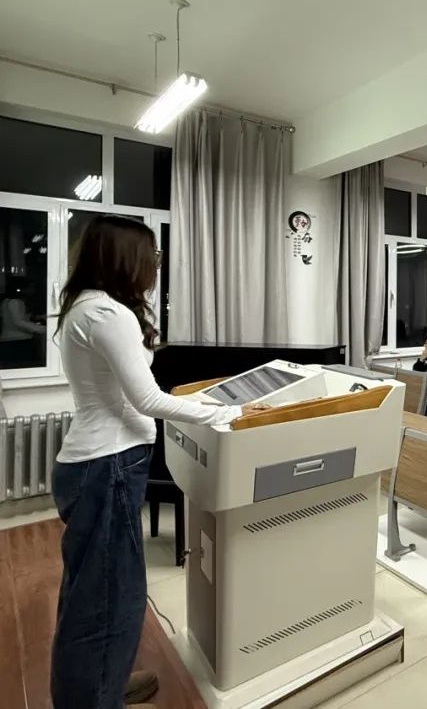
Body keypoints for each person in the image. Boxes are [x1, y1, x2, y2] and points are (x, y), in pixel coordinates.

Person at [50, 215, 268, 709]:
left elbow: (134, 393)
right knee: (109, 598)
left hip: (95, 464)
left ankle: (101, 686)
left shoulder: (87, 306)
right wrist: (230, 412)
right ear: (126, 258)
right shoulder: (107, 314)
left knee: (93, 590)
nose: (156, 267)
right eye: (153, 256)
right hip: (107, 466)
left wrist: (207, 403)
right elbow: (148, 400)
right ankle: (94, 697)